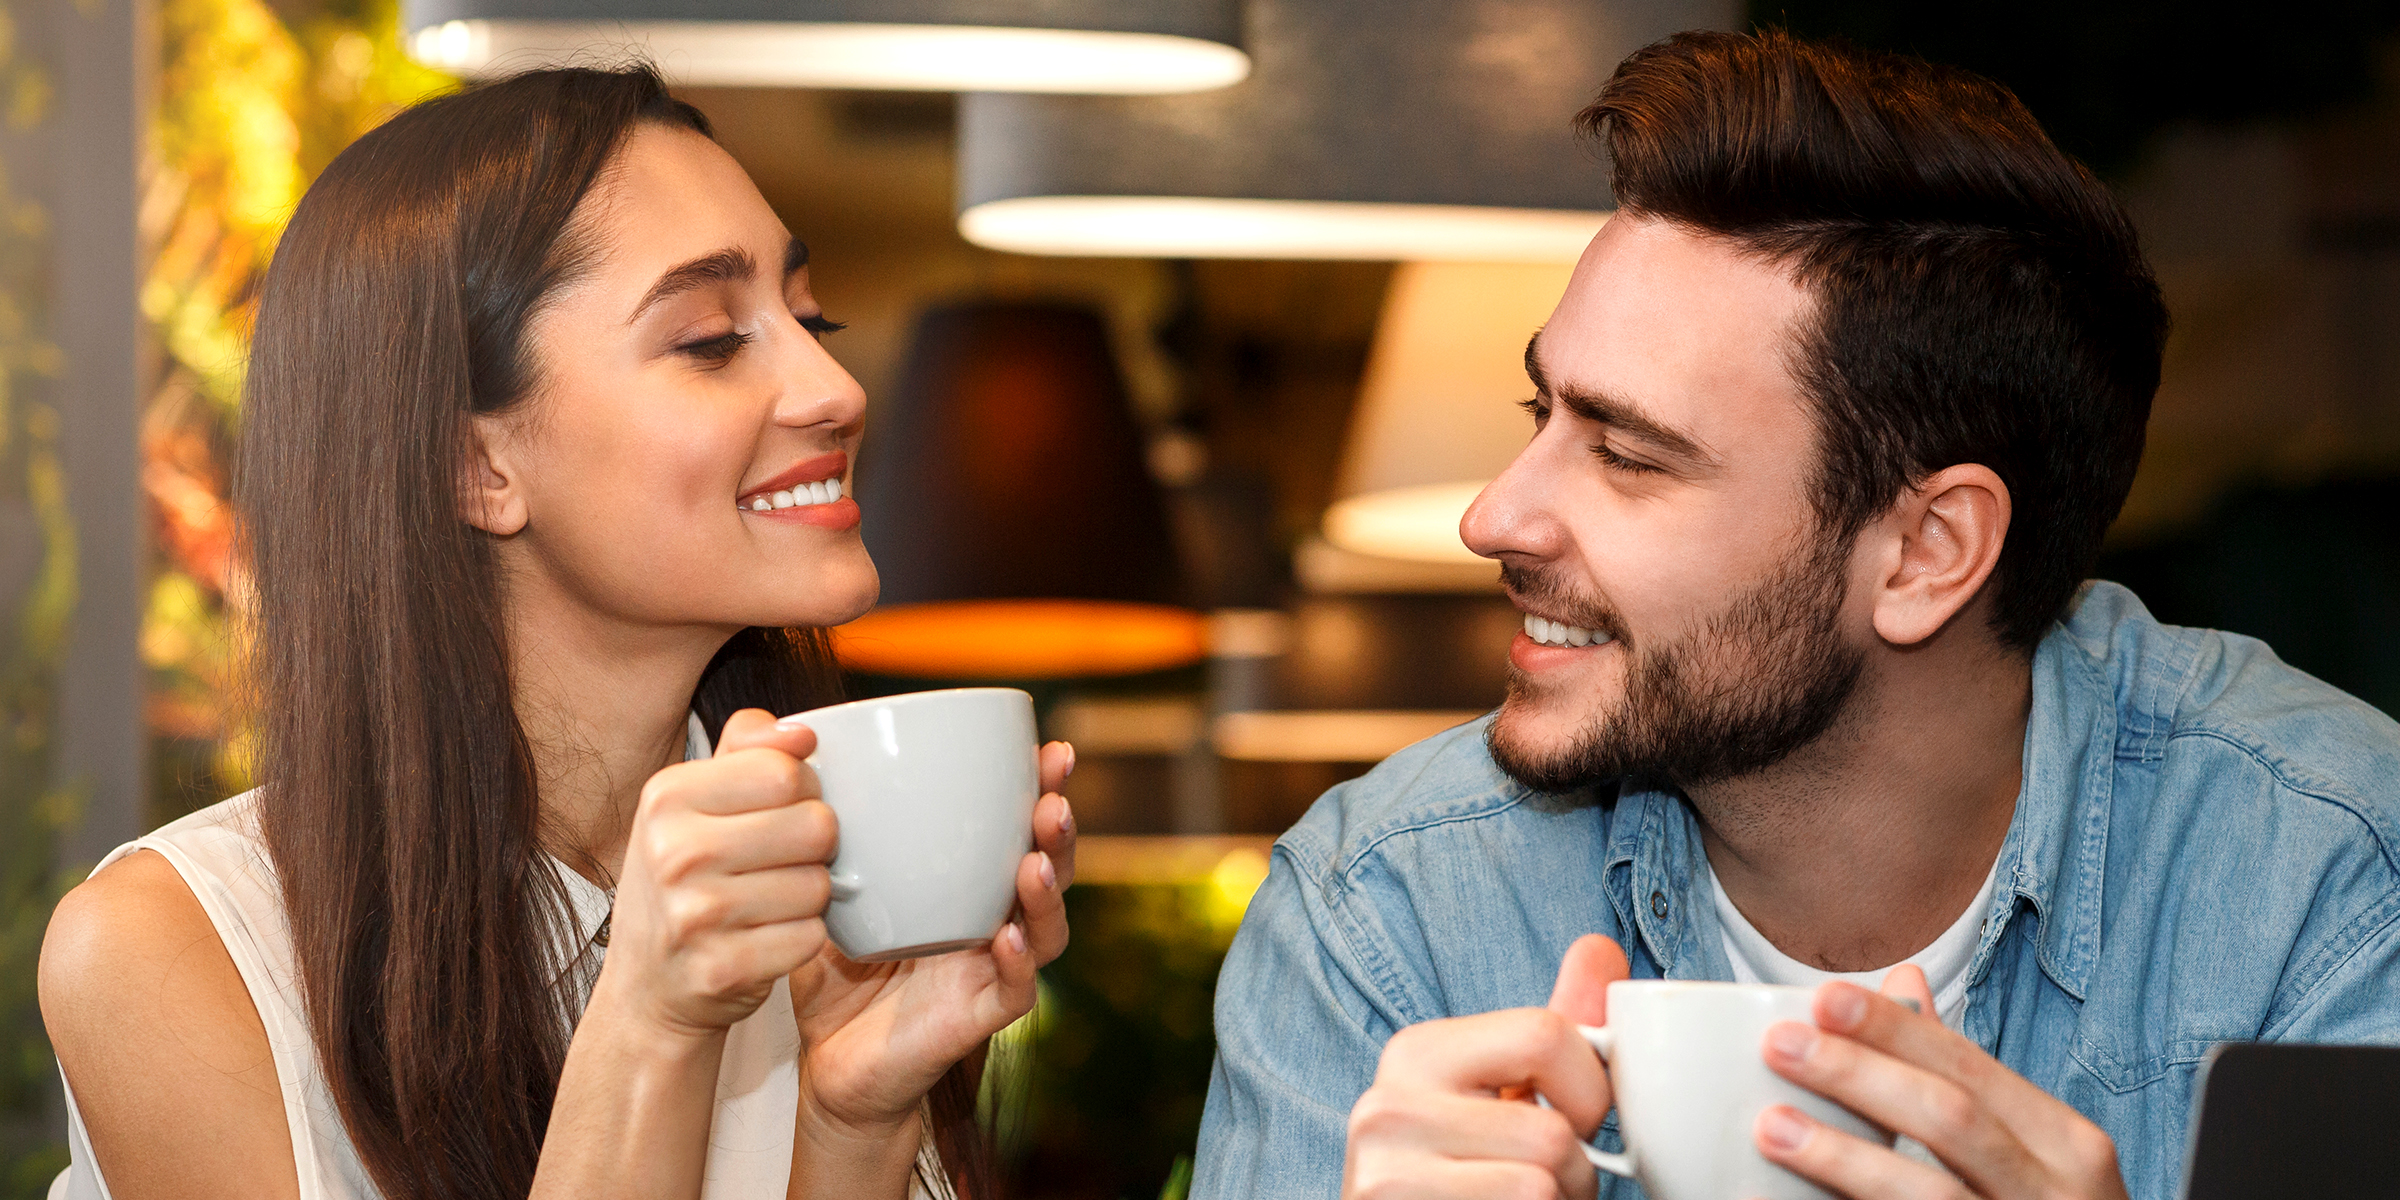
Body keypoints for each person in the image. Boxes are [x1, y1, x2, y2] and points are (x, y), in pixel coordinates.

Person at [1194, 29, 2400, 1200]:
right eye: (1539, 413)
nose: (1494, 516)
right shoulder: (1386, 914)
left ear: (1928, 555)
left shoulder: (2336, 881)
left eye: (1625, 454)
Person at [37, 65, 1079, 1200]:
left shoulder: (833, 893)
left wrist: (854, 1118)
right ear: (474, 464)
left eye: (809, 316)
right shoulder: (175, 950)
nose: (836, 385)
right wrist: (648, 1022)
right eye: (712, 339)